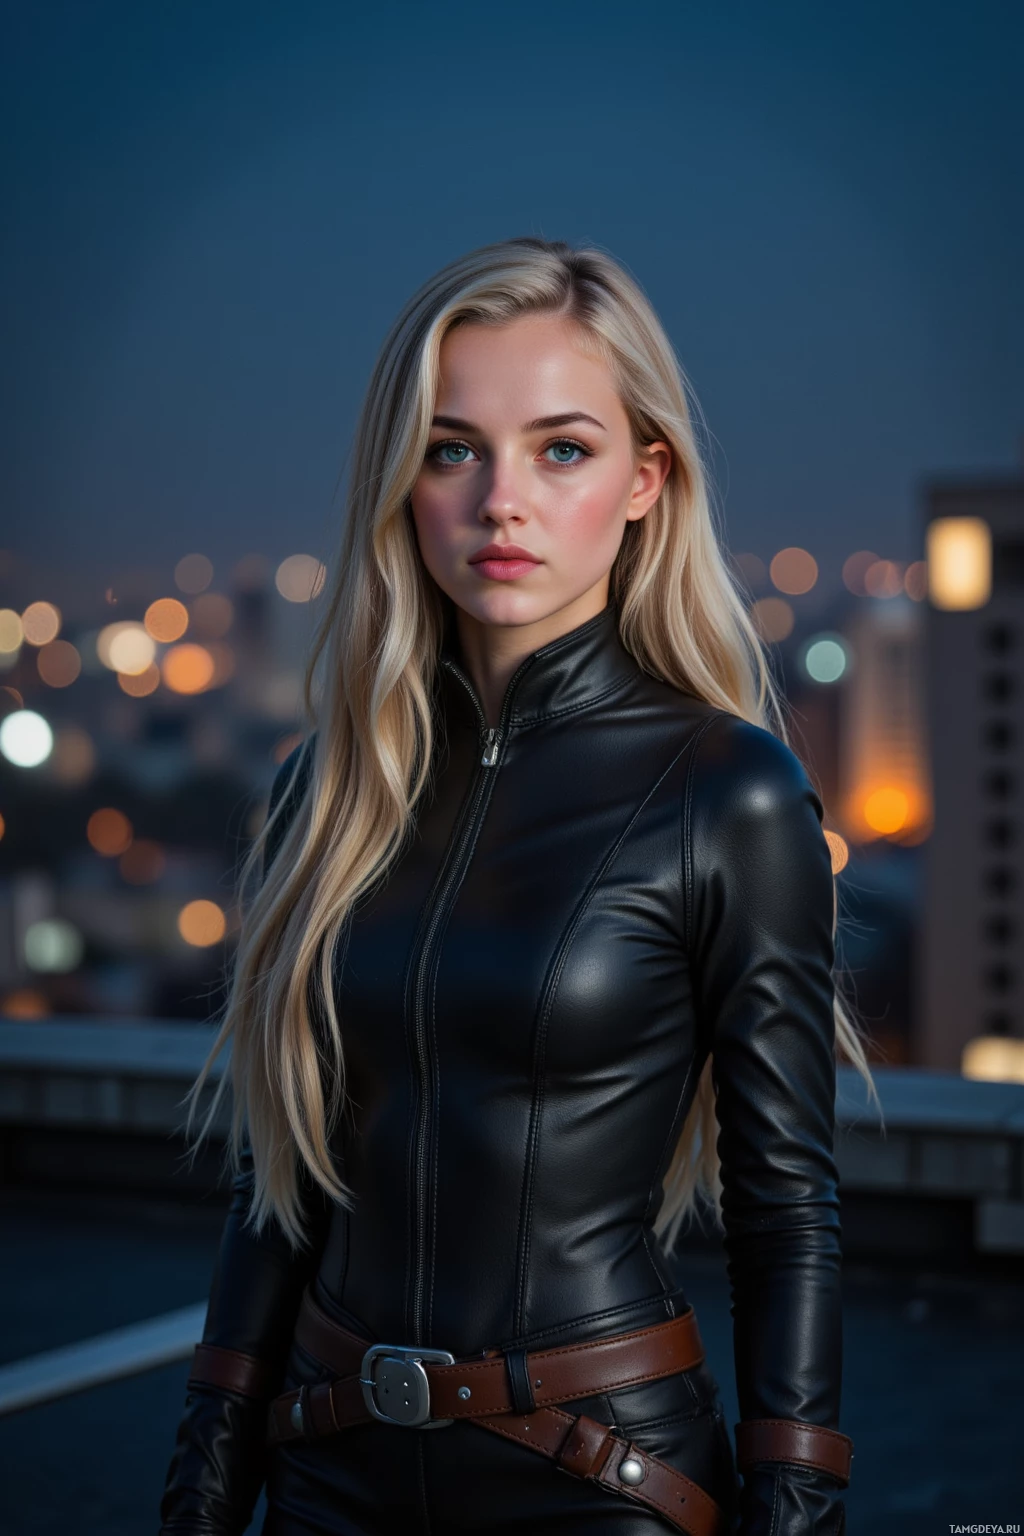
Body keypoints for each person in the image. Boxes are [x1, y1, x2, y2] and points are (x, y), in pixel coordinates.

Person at [159, 237, 877, 1536]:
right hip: (326, 1475)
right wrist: (207, 1473)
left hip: (601, 1486)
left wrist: (799, 1505)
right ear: (400, 482)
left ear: (646, 480)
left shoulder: (730, 792)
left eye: (561, 449)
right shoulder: (321, 791)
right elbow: (282, 1188)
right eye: (451, 448)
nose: (502, 499)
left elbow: (787, 1211)